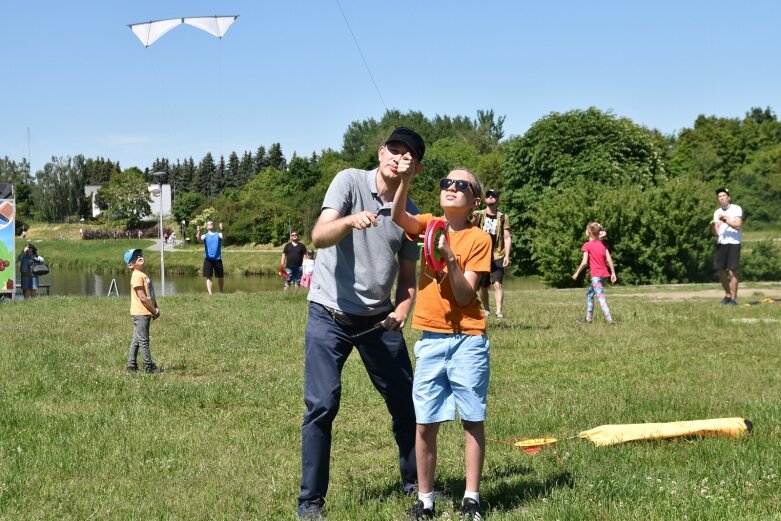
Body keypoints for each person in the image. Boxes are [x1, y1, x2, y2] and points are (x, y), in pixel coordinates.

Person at [297, 127, 425, 520]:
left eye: (407, 155)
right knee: (321, 405)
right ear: (381, 151)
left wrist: (403, 309)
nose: (397, 157)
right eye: (393, 149)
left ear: (414, 168)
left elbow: (406, 279)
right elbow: (319, 236)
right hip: (329, 314)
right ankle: (311, 503)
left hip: (378, 321)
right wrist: (350, 221)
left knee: (406, 404)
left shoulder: (412, 215)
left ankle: (417, 490)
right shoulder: (349, 181)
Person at [392, 167, 492, 521]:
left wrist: (449, 256)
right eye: (445, 183)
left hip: (468, 339)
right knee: (424, 422)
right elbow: (397, 214)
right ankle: (426, 500)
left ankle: (472, 498)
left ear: (474, 201)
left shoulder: (480, 239)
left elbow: (465, 296)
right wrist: (404, 180)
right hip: (431, 339)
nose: (450, 187)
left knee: (472, 418)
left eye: (460, 185)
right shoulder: (429, 224)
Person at [471, 188, 511, 319]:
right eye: (488, 195)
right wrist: (474, 217)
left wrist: (507, 255)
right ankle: (487, 309)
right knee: (483, 286)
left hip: (497, 254)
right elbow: (470, 229)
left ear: (497, 199)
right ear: (485, 199)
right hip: (482, 254)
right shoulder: (478, 214)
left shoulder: (503, 217)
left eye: (493, 196)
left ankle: (499, 312)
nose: (490, 197)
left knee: (497, 284)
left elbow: (507, 237)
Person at [123, 248, 162, 374]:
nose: (139, 257)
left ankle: (131, 366)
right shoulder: (136, 276)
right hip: (141, 313)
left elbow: (150, 294)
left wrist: (155, 306)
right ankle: (149, 366)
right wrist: (153, 311)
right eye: (134, 257)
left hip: (145, 312)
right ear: (130, 264)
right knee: (144, 341)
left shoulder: (143, 275)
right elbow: (142, 297)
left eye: (140, 254)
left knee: (137, 340)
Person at [571, 222, 617, 324]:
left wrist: (577, 273)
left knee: (600, 297)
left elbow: (584, 263)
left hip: (596, 275)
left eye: (587, 229)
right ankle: (588, 319)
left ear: (590, 232)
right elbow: (609, 259)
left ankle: (610, 320)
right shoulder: (602, 244)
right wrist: (613, 272)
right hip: (603, 275)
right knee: (590, 294)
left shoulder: (587, 245)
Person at [711, 187, 743, 305]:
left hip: (734, 243)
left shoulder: (736, 209)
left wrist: (726, 220)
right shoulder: (716, 212)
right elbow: (716, 232)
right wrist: (713, 227)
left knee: (732, 271)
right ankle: (727, 295)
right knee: (720, 270)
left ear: (728, 197)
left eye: (723, 195)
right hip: (721, 243)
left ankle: (734, 299)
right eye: (719, 196)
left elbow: (738, 225)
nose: (721, 198)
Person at [196, 221, 224, 295]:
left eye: (211, 223)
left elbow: (224, 237)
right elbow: (199, 240)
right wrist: (198, 232)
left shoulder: (219, 234)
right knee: (208, 277)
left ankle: (221, 292)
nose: (210, 224)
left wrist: (222, 229)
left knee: (220, 277)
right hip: (208, 259)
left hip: (217, 259)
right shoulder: (205, 235)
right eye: (208, 224)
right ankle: (210, 294)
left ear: (213, 225)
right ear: (206, 227)